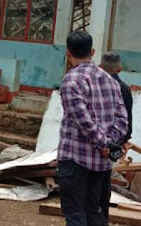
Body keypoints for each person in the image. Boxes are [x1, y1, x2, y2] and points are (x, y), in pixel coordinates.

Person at [57, 31, 128, 226]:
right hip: (101, 163)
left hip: (75, 160)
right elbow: (122, 119)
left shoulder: (71, 81)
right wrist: (109, 143)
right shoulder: (111, 82)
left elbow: (83, 121)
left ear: (68, 53)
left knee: (75, 214)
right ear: (93, 51)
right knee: (95, 214)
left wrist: (103, 143)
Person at [99, 52, 133, 226]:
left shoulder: (93, 85)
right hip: (112, 144)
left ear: (99, 66)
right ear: (119, 69)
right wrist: (123, 141)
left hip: (90, 142)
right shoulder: (123, 89)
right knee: (104, 185)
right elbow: (127, 120)